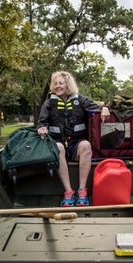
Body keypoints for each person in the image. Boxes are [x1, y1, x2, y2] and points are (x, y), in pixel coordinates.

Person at [37, 71, 110, 207]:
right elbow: (42, 122)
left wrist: (105, 108)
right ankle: (69, 192)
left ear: (68, 85)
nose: (57, 86)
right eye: (55, 83)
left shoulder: (80, 100)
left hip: (76, 144)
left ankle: (82, 191)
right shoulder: (48, 103)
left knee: (86, 146)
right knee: (57, 147)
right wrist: (41, 128)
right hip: (58, 143)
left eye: (61, 83)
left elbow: (97, 107)